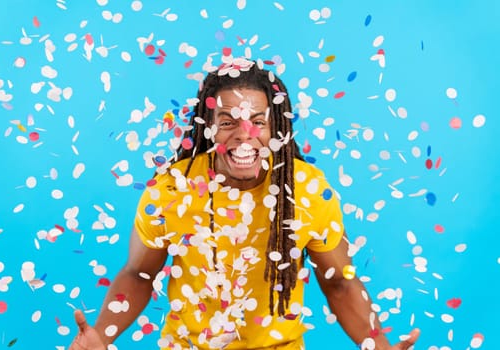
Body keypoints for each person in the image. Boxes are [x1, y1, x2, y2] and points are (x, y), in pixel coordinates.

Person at [69, 55, 420, 349]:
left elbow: (339, 283)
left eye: (258, 122)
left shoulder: (307, 189)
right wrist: (102, 334)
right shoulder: (172, 189)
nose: (244, 135)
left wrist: (380, 346)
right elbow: (139, 274)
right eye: (227, 122)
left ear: (276, 128)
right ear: (208, 127)